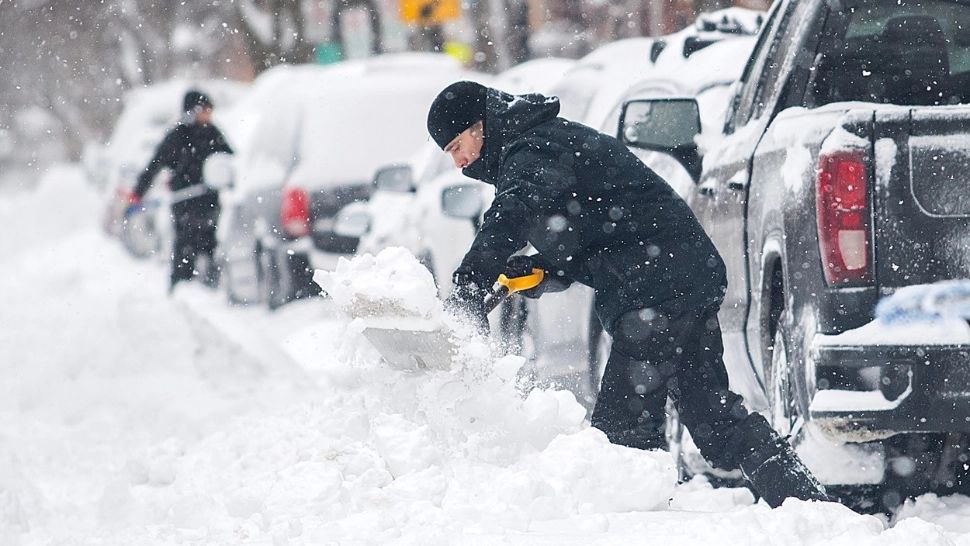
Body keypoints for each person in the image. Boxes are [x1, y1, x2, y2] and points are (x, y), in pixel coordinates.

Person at [426, 81, 830, 508]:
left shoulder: (533, 148)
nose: (459, 162)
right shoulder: (539, 144)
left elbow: (510, 215)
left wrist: (469, 284)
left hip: (657, 290)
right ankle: (815, 512)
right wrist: (545, 269)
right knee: (714, 422)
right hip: (680, 278)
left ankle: (635, 523)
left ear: (481, 124)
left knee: (622, 436)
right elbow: (600, 234)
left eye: (457, 146)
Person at [130, 90, 233, 293]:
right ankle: (180, 288)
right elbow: (155, 164)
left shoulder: (213, 133)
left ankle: (209, 288)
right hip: (184, 204)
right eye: (204, 111)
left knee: (210, 244)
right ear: (192, 111)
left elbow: (229, 160)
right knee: (185, 248)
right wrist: (138, 192)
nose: (208, 115)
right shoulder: (177, 136)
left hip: (210, 202)